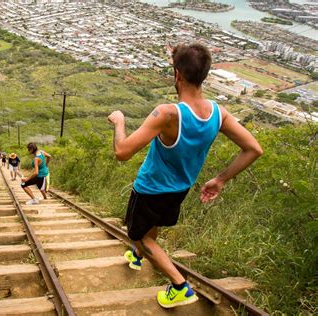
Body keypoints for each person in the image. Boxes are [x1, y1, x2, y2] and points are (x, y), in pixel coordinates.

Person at [107, 43, 263, 309]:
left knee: (139, 235)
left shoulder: (168, 114)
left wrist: (119, 121)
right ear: (204, 75)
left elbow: (122, 152)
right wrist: (220, 179)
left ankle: (179, 287)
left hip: (150, 188)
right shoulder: (218, 113)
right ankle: (137, 257)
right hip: (180, 189)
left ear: (177, 74)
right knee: (150, 226)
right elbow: (253, 149)